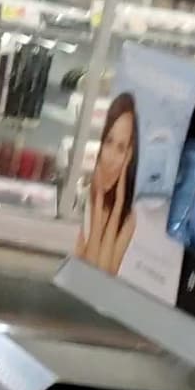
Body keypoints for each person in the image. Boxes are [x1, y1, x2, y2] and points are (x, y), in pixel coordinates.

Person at [79, 92, 140, 275]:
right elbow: (86, 272)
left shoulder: (127, 218)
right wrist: (97, 199)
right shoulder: (81, 197)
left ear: (129, 157)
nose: (111, 158)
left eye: (121, 148)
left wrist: (117, 206)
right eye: (108, 142)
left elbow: (101, 277)